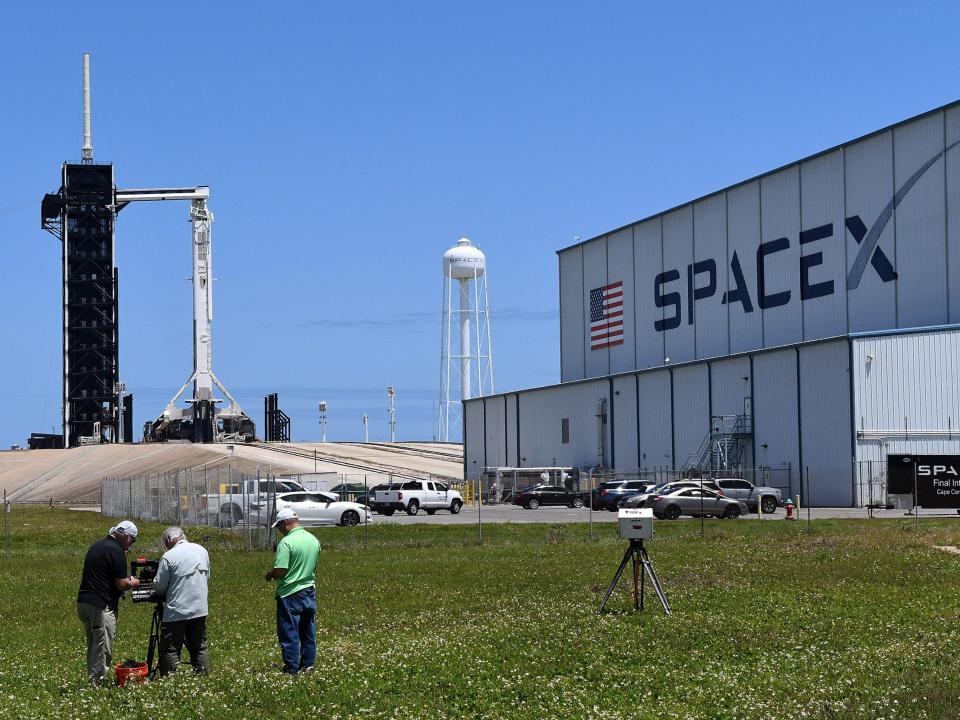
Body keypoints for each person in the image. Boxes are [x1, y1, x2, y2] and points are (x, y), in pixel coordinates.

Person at [76, 520, 142, 686]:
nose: (131, 545)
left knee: (93, 645)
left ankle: (93, 680)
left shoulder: (97, 546)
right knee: (102, 647)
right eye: (132, 540)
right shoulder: (117, 551)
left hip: (84, 603)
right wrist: (135, 582)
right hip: (101, 605)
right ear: (125, 537)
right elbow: (121, 584)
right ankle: (96, 684)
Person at [264, 506, 320, 674]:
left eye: (280, 526)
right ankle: (308, 665)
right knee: (308, 631)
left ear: (287, 523)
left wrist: (270, 575)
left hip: (289, 593)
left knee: (289, 632)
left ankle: (291, 668)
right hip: (309, 589)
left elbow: (281, 570)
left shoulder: (287, 542)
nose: (280, 530)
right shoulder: (313, 539)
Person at [153, 526, 211, 676]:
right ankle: (202, 676)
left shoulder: (169, 556)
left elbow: (159, 587)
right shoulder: (202, 550)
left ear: (169, 540)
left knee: (171, 647)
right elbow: (207, 578)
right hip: (200, 608)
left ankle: (171, 678)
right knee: (199, 646)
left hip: (176, 611)